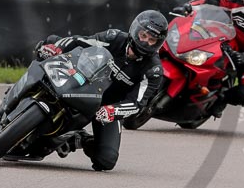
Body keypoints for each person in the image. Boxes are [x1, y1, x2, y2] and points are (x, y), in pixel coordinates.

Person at [34, 10, 168, 171]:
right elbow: (80, 41)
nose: (145, 42)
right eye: (143, 35)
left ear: (158, 43)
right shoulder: (114, 37)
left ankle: (78, 139)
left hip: (107, 106)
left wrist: (113, 111)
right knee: (51, 44)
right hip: (84, 83)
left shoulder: (153, 71)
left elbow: (137, 103)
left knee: (106, 160)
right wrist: (56, 47)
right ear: (135, 30)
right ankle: (27, 92)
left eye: (152, 40)